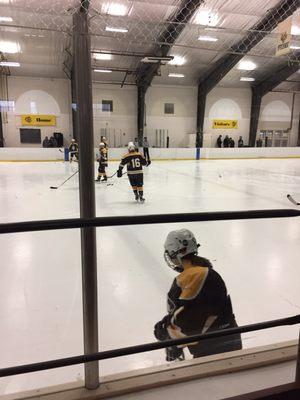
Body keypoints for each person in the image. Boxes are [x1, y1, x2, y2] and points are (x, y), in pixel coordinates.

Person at [154, 229, 242, 361]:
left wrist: (167, 335)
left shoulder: (184, 279)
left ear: (176, 253)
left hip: (209, 349)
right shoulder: (211, 273)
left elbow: (180, 321)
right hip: (232, 339)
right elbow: (199, 312)